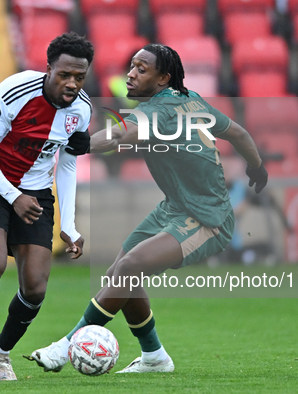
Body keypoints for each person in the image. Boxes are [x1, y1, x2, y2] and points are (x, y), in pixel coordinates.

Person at [27, 44, 268, 373]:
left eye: (142, 69)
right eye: (131, 66)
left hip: (207, 220)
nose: (131, 73)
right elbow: (237, 132)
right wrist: (257, 168)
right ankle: (154, 357)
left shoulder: (159, 108)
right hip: (175, 209)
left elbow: (117, 137)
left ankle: (65, 344)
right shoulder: (190, 100)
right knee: (121, 274)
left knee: (128, 269)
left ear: (163, 79)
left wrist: (77, 142)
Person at [0, 32, 94, 381]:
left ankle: (1, 353)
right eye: (64, 75)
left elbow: (68, 165)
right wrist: (13, 196)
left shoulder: (81, 110)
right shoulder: (15, 91)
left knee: (36, 287)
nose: (72, 83)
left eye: (80, 77)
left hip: (37, 193)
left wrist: (69, 224)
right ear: (49, 68)